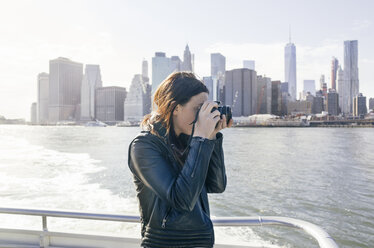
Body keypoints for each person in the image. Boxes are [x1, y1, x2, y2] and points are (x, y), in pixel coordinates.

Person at [128, 71, 233, 248]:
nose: (203, 115)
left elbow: (217, 185)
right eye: (198, 109)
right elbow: (181, 200)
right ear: (176, 107)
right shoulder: (144, 146)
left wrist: (212, 137)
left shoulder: (194, 141)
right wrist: (201, 137)